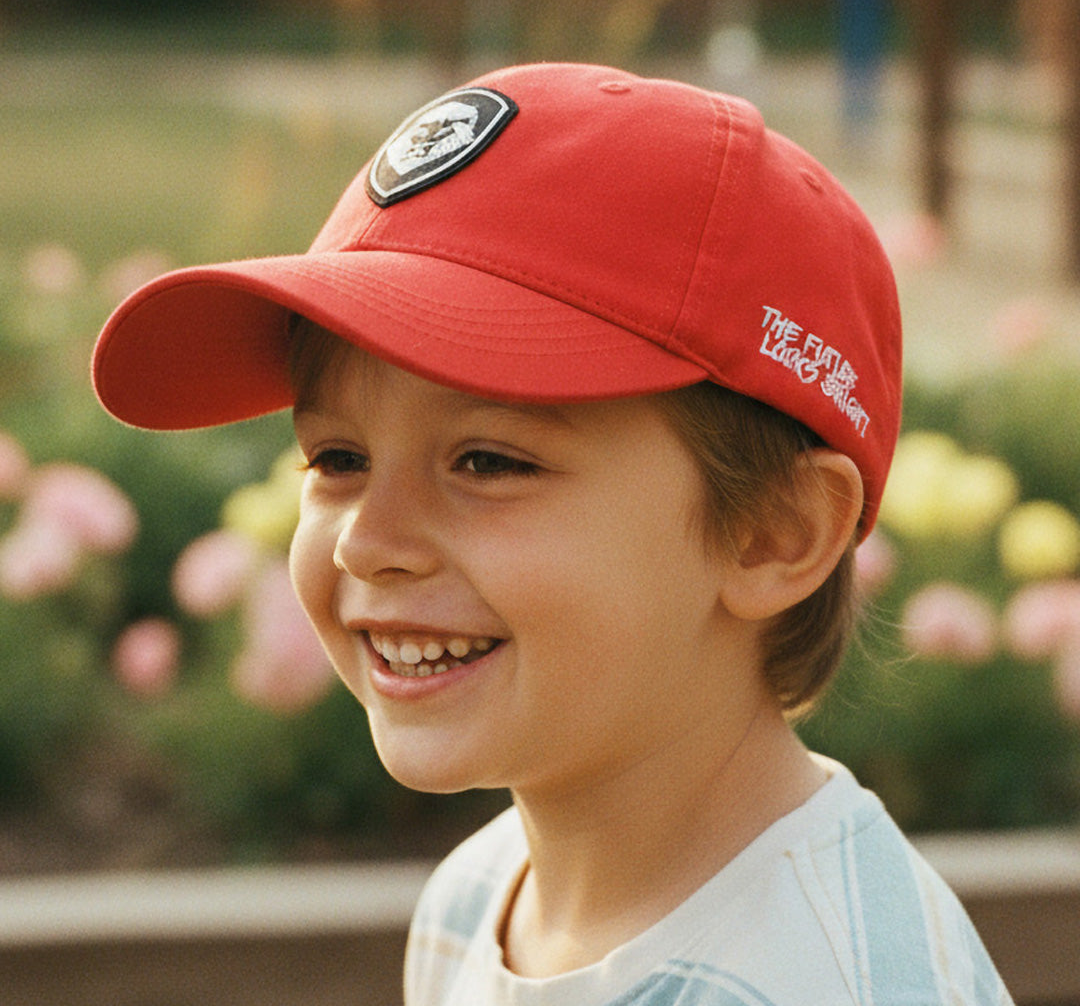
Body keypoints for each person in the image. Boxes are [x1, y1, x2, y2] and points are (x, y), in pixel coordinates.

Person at [93, 62, 1012, 1004]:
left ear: (774, 533)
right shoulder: (478, 900)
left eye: (488, 462)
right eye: (337, 458)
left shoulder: (812, 982)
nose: (366, 543)